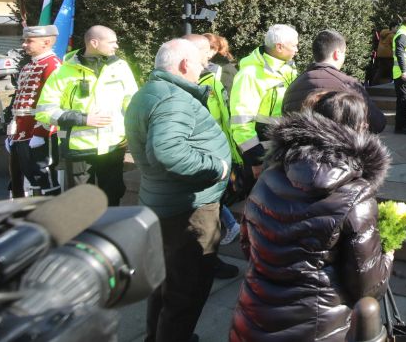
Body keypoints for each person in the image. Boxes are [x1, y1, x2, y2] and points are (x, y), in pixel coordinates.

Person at [230, 91, 393, 341]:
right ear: (361, 129)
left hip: (253, 319)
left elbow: (248, 245)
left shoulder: (269, 176)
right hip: (317, 328)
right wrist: (388, 252)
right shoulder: (356, 195)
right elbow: (366, 286)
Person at [124, 38, 231, 342]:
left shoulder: (148, 92)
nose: (201, 68)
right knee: (188, 288)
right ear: (185, 65)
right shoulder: (173, 99)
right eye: (199, 63)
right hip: (189, 210)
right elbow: (168, 151)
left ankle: (158, 336)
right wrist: (217, 167)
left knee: (166, 283)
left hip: (164, 204)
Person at [35, 25, 138, 205]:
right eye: (112, 42)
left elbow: (132, 102)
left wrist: (133, 131)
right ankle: (85, 232)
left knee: (113, 194)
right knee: (81, 200)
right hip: (78, 148)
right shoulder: (63, 72)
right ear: (94, 43)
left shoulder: (121, 67)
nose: (117, 46)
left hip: (114, 145)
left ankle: (109, 231)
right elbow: (44, 111)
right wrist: (84, 119)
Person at [185, 34, 242, 280]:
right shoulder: (191, 83)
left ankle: (209, 259)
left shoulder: (217, 75)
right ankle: (205, 261)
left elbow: (225, 114)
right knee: (207, 208)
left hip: (215, 149)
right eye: (203, 51)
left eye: (209, 50)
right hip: (203, 152)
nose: (207, 55)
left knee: (214, 203)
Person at [228, 24, 298, 181]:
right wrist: (256, 160)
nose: (297, 49)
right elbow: (241, 123)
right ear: (279, 47)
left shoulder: (288, 69)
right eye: (294, 45)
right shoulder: (250, 74)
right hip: (264, 156)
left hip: (282, 152)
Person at [282, 29, 387, 133]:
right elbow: (378, 123)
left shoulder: (294, 85)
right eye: (344, 53)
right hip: (338, 148)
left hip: (300, 148)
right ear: (337, 54)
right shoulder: (349, 84)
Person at [6, 25, 62, 197]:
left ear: (46, 42)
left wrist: (41, 131)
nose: (24, 44)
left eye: (29, 41)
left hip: (38, 130)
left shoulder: (53, 65)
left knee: (44, 174)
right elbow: (20, 99)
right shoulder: (28, 66)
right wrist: (12, 129)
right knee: (29, 175)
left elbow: (55, 102)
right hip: (21, 130)